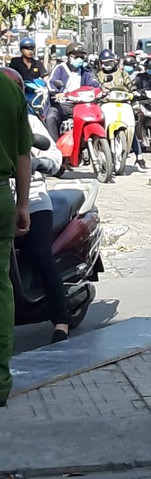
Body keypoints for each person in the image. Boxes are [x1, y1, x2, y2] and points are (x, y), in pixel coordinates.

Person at [2, 68, 70, 344]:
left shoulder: (30, 121)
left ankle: (61, 319)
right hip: (6, 199)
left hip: (34, 199)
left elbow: (53, 156)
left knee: (41, 253)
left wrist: (39, 164)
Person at [0, 67, 33, 407]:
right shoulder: (10, 90)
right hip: (2, 197)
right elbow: (24, 154)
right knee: (1, 290)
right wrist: (22, 203)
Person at [45, 42, 100, 142]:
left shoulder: (86, 71)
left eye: (81, 57)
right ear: (69, 57)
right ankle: (54, 148)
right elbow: (51, 82)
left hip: (81, 106)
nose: (79, 60)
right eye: (76, 57)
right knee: (51, 117)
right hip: (61, 105)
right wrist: (57, 93)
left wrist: (101, 91)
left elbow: (94, 84)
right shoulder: (60, 68)